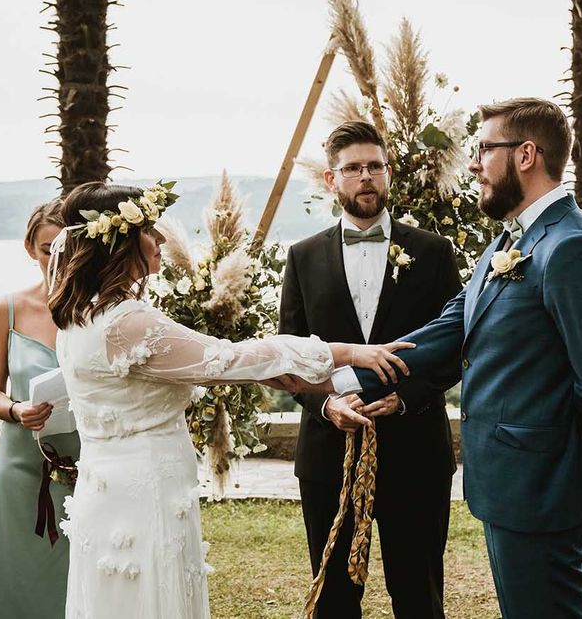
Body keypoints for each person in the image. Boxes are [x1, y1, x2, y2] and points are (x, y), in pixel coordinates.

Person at [297, 98, 582, 619]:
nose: (473, 164)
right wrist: (330, 374)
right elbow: (449, 328)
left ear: (525, 156)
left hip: (537, 482)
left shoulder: (569, 245)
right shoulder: (510, 239)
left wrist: (534, 435)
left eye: (482, 150)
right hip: (506, 487)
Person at [47, 180, 409, 619]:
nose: (160, 239)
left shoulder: (79, 315)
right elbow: (228, 358)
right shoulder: (128, 323)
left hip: (108, 485)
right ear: (120, 242)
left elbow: (225, 366)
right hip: (144, 492)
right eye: (149, 230)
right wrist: (349, 352)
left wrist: (325, 385)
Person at [279, 121, 462, 618]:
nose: (366, 177)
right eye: (354, 168)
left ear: (388, 173)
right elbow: (289, 358)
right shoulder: (301, 257)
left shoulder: (433, 251)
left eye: (375, 167)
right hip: (328, 454)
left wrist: (409, 397)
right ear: (331, 179)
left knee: (419, 598)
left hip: (415, 451)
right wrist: (326, 403)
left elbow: (455, 348)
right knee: (334, 603)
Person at [0, 199, 82, 619]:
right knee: (18, 567)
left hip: (85, 463)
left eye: (66, 247)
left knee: (80, 570)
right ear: (29, 248)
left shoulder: (95, 311)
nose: (56, 258)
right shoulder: (8, 309)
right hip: (22, 462)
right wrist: (17, 409)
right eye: (46, 248)